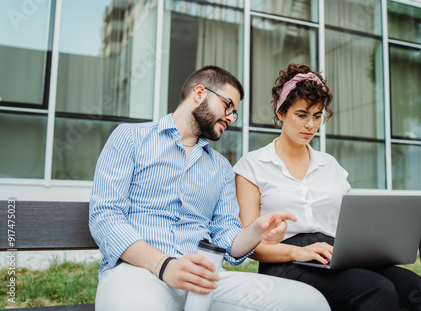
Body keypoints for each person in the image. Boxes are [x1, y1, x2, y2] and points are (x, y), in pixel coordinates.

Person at [89, 66, 330, 311]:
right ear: (200, 93)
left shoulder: (221, 168)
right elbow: (105, 218)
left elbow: (227, 236)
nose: (230, 118)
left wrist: (257, 231)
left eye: (234, 113)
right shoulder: (130, 138)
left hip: (207, 279)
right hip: (138, 273)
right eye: (228, 106)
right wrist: (165, 265)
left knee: (310, 303)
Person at [233, 63, 421, 311]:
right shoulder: (253, 165)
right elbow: (248, 246)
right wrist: (298, 252)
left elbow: (352, 223)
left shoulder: (329, 165)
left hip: (332, 255)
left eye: (317, 116)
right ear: (281, 112)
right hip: (285, 262)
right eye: (301, 115)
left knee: (420, 291)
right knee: (377, 290)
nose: (310, 125)